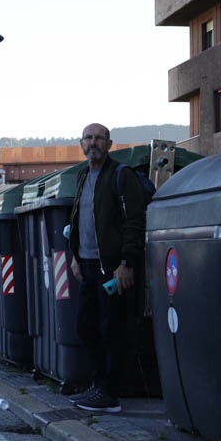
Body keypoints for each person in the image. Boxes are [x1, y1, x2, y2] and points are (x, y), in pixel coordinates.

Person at [68, 123, 146, 414]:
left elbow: (134, 222)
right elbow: (77, 219)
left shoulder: (120, 176)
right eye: (88, 138)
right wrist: (75, 256)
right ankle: (98, 385)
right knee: (85, 326)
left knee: (112, 329)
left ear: (109, 144)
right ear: (81, 143)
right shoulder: (82, 175)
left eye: (99, 138)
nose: (93, 143)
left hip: (112, 267)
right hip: (86, 264)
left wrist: (126, 263)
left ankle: (109, 393)